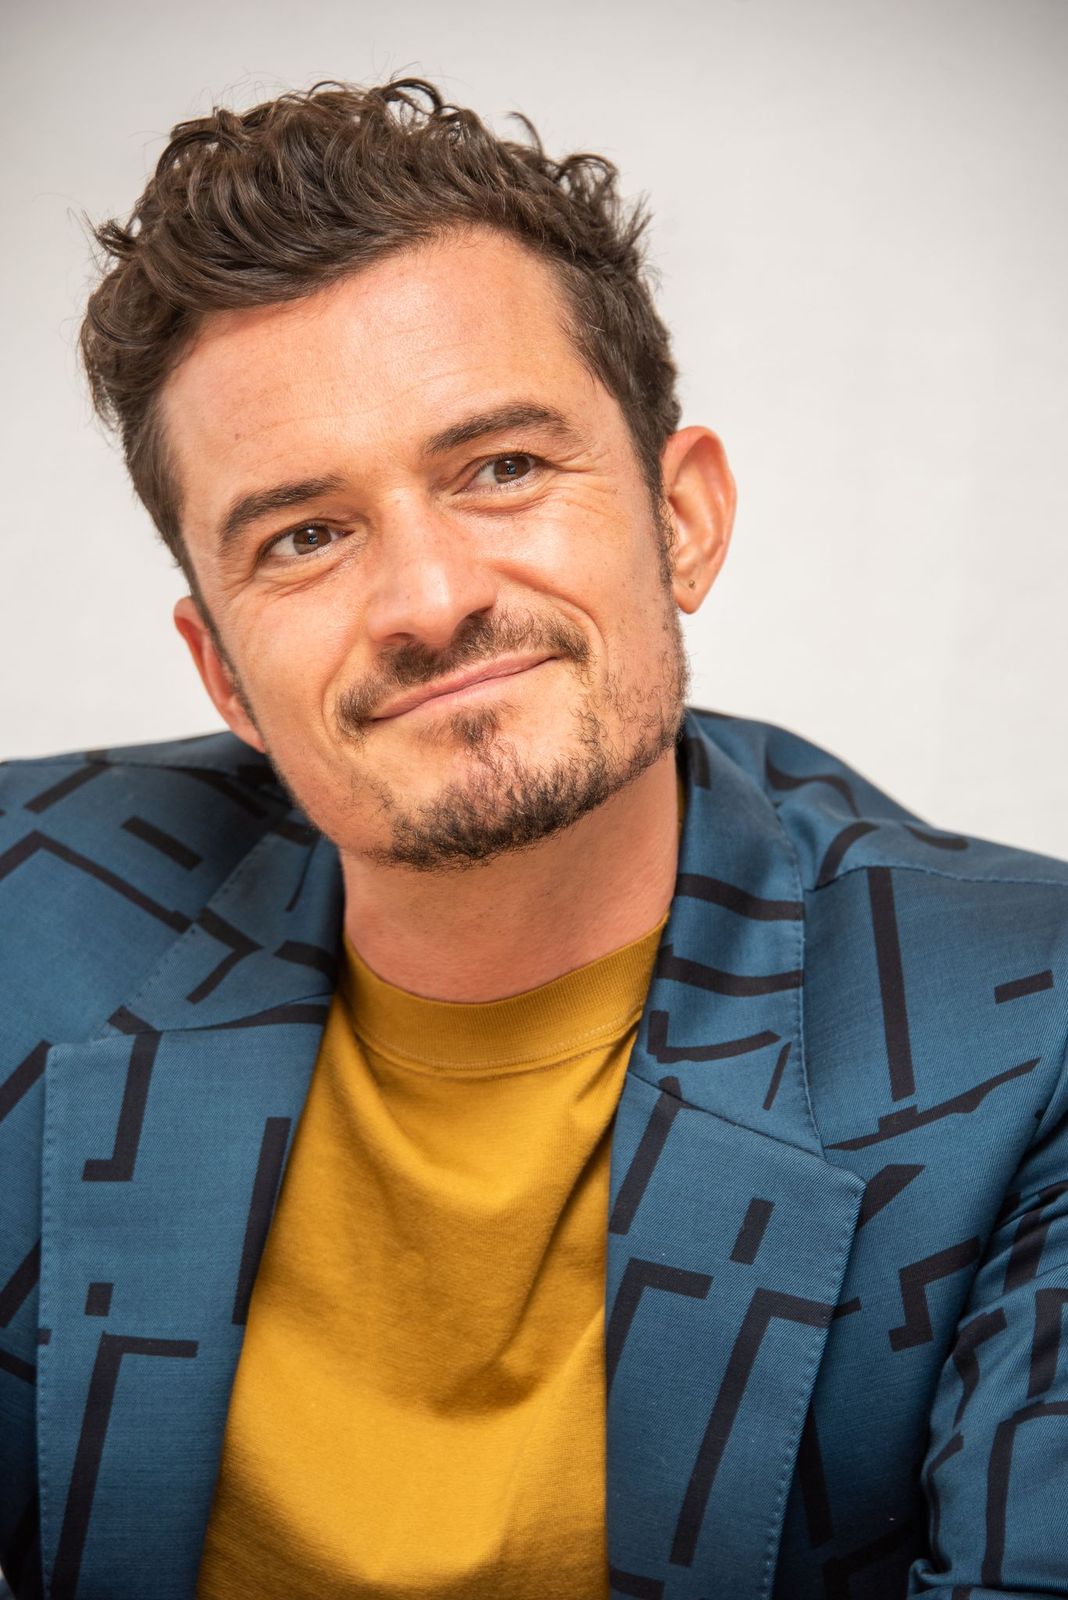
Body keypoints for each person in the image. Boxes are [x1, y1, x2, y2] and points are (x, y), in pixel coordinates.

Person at [1, 77, 1066, 1600]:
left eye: (501, 467)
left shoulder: (1028, 1035)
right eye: (305, 535)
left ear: (681, 517)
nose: (430, 599)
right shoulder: (20, 918)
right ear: (222, 670)